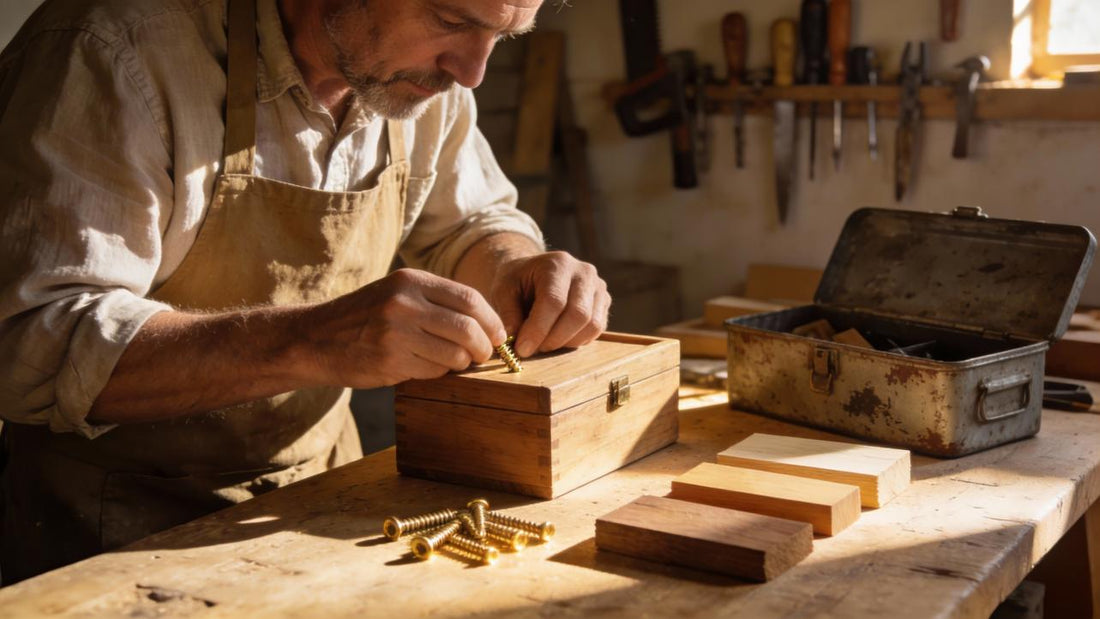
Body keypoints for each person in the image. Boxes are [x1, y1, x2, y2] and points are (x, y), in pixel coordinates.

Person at [0, 0, 610, 583]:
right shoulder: (113, 50)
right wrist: (309, 341)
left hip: (324, 495)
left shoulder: (421, 79)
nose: (471, 72)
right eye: (451, 19)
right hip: (109, 527)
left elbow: (466, 224)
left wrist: (515, 265)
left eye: (501, 38)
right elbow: (30, 344)